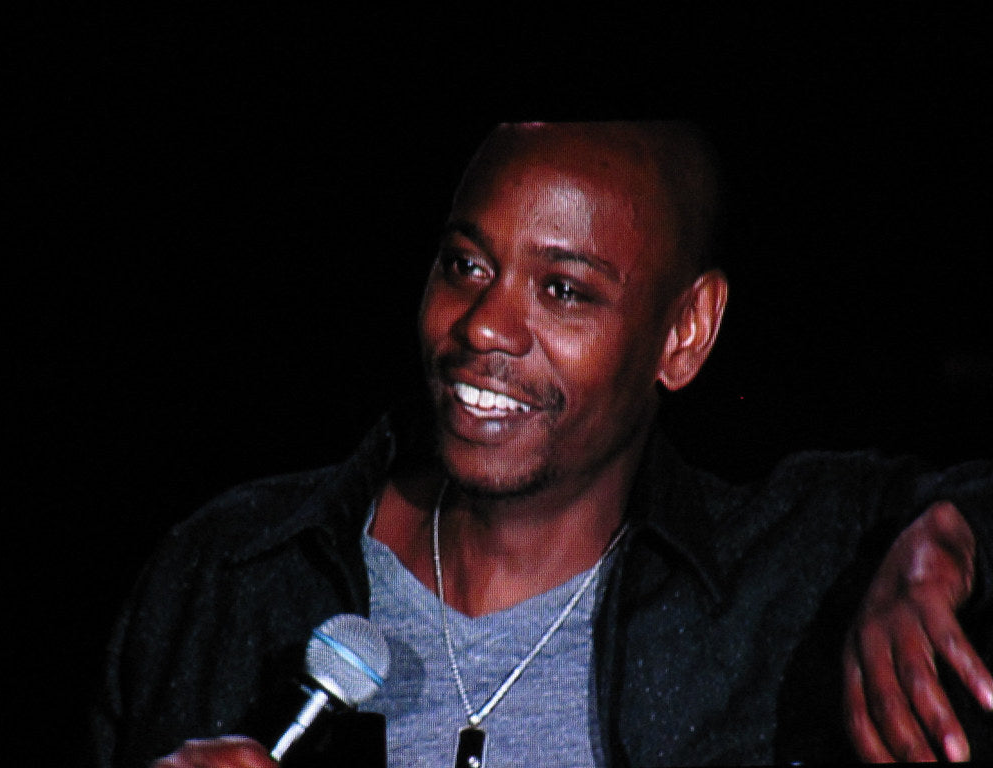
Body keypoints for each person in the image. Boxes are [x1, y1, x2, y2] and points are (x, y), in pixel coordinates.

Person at [91, 122, 993, 767]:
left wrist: (946, 546)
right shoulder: (228, 573)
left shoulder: (791, 579)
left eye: (563, 290)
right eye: (466, 265)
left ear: (684, 333)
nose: (485, 324)